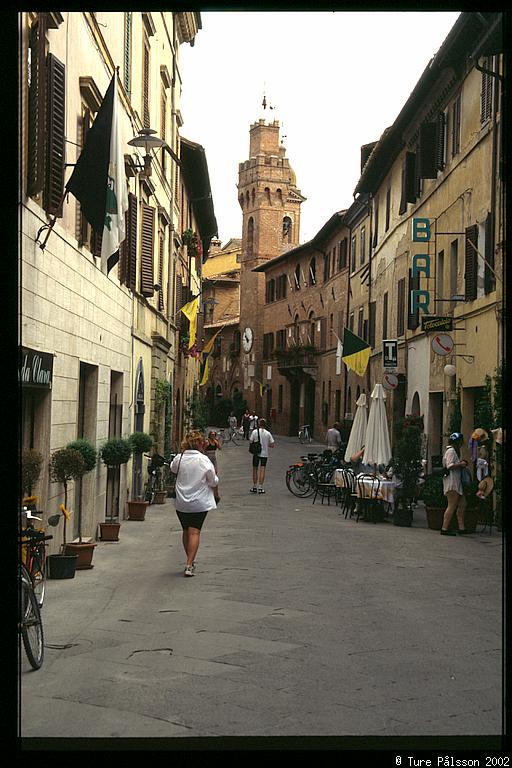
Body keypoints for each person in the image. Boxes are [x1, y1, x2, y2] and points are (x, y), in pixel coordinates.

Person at [170, 430, 219, 576]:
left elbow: (173, 469)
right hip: (199, 502)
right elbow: (213, 481)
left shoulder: (180, 457)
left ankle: (189, 561)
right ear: (200, 443)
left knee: (186, 530)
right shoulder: (204, 460)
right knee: (195, 531)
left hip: (181, 502)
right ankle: (189, 564)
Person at [441, 432, 469, 536]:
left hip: (456, 483)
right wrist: (461, 464)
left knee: (463, 504)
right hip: (452, 483)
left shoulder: (452, 451)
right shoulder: (451, 451)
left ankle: (462, 527)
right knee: (451, 505)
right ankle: (444, 528)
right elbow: (449, 465)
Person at [249, 417, 274, 494]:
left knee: (255, 469)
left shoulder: (255, 432)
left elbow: (251, 441)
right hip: (264, 454)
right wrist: (266, 444)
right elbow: (272, 444)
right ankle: (260, 487)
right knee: (262, 469)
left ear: (259, 424)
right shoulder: (268, 433)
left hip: (256, 453)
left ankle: (254, 486)